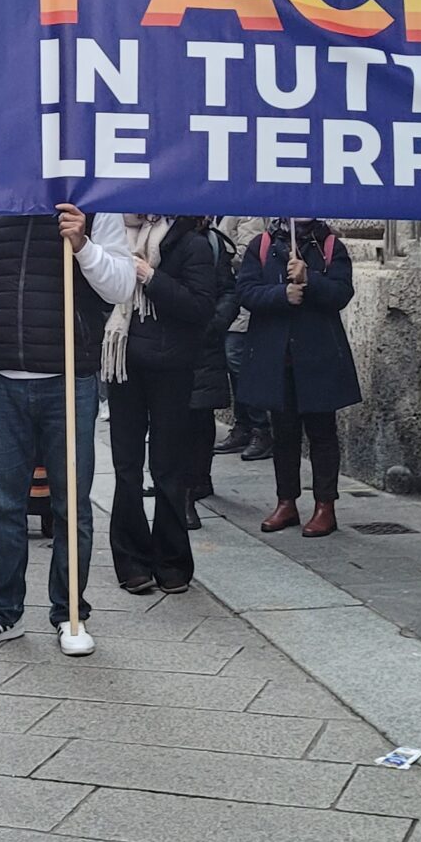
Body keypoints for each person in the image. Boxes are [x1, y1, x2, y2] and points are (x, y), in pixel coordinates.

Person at [0, 205, 136, 657]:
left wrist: (83, 245)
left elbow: (121, 286)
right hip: (1, 378)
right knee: (3, 506)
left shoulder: (95, 214)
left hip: (69, 379)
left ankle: (70, 613)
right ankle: (1, 611)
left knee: (72, 506)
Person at [104, 216, 220, 595]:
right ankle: (131, 560)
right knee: (126, 467)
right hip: (122, 364)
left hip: (171, 366)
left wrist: (151, 277)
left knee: (168, 467)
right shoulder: (114, 237)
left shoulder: (191, 243)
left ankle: (171, 560)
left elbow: (200, 307)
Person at [236, 219, 359, 538]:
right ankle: (286, 501)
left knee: (322, 434)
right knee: (284, 434)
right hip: (277, 359)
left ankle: (325, 506)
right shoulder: (262, 245)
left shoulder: (331, 246)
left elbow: (342, 292)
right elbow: (246, 292)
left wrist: (310, 279)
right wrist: (282, 294)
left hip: (318, 358)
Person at [185, 221, 243, 529]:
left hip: (204, 341)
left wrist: (214, 324)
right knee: (174, 417)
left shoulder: (211, 241)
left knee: (200, 414)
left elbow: (229, 290)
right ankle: (179, 481)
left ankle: (197, 480)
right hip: (172, 339)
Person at [212, 217, 272, 460]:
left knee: (238, 361)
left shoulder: (247, 212)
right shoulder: (215, 213)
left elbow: (249, 254)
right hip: (223, 300)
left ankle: (261, 428)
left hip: (242, 300)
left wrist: (213, 254)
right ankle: (243, 425)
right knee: (233, 365)